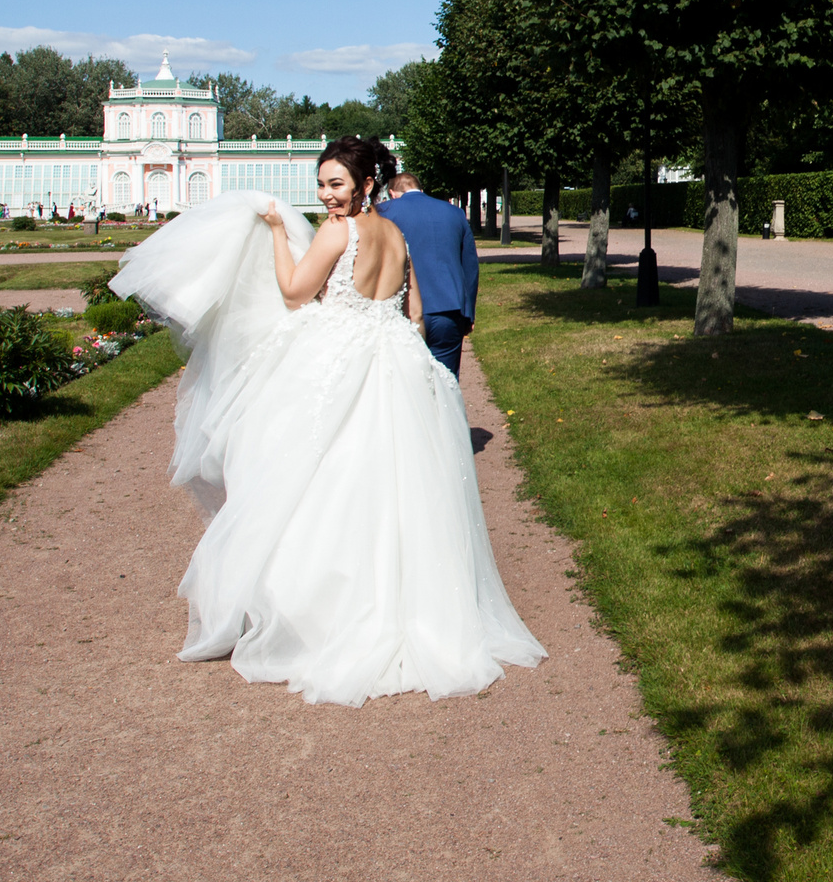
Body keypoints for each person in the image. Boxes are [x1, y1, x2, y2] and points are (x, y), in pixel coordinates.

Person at [109, 133, 543, 707]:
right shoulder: (397, 234)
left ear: (366, 184)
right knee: (397, 493)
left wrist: (272, 237)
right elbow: (411, 312)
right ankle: (407, 608)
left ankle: (325, 614)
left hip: (342, 360)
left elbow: (293, 293)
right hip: (397, 361)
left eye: (336, 183)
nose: (326, 195)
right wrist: (388, 341)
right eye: (321, 184)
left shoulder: (342, 231)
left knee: (318, 482)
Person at [376, 170, 477, 376]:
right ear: (420, 189)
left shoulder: (382, 212)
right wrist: (469, 314)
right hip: (448, 309)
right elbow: (470, 267)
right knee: (446, 383)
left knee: (406, 383)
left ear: (393, 193)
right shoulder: (453, 212)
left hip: (403, 309)